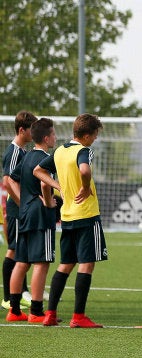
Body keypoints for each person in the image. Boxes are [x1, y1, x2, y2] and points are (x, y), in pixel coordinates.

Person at [33, 113, 108, 328]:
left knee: (65, 264)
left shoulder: (60, 151)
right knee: (87, 263)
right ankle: (78, 316)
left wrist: (59, 187)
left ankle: (49, 314)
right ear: (86, 135)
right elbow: (84, 170)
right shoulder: (84, 151)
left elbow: (38, 171)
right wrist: (85, 187)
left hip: (67, 215)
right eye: (94, 135)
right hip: (86, 214)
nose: (95, 139)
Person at [5, 118, 57, 322]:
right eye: (53, 134)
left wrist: (23, 202)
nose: (55, 137)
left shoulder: (26, 157)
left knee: (21, 261)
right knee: (42, 263)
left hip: (24, 213)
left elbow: (9, 180)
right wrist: (46, 201)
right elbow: (44, 184)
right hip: (40, 215)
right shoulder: (45, 158)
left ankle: (15, 310)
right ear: (46, 138)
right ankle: (36, 311)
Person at [2, 111, 36, 311]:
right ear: (22, 130)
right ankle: (7, 297)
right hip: (16, 210)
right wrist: (23, 205)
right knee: (13, 250)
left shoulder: (22, 151)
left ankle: (20, 293)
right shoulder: (14, 152)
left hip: (20, 208)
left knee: (21, 250)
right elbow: (8, 182)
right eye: (31, 129)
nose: (34, 133)